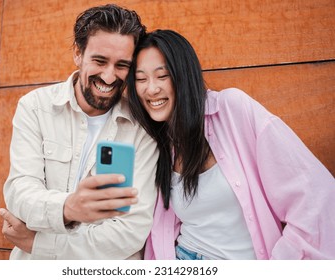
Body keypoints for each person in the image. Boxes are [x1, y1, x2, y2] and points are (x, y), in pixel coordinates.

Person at [126, 29, 335, 260]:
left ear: (183, 75)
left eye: (162, 76)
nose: (151, 89)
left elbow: (315, 197)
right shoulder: (157, 141)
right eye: (141, 79)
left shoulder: (232, 110)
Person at [0, 4, 158, 260]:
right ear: (77, 52)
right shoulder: (35, 107)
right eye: (99, 61)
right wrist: (68, 208)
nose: (109, 76)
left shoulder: (142, 127)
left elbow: (130, 232)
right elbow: (20, 192)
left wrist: (40, 243)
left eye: (122, 65)